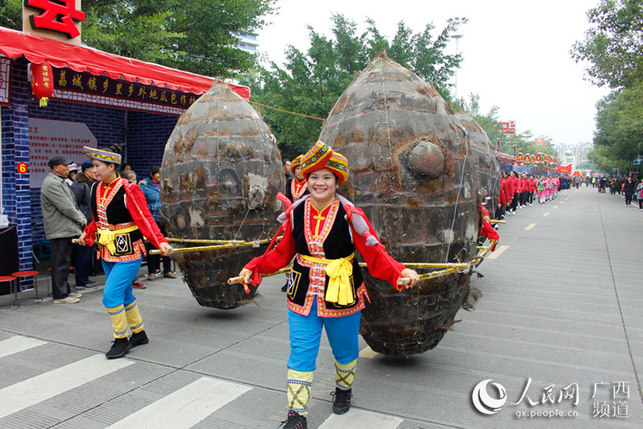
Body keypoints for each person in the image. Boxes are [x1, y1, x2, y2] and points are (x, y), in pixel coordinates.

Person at [237, 141, 419, 428]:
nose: (319, 183)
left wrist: (399, 271)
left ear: (337, 182)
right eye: (314, 177)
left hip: (342, 292)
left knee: (345, 350)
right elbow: (282, 252)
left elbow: (373, 251)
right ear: (305, 180)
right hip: (302, 294)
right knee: (300, 353)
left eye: (326, 177)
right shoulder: (296, 212)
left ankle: (344, 390)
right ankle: (297, 416)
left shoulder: (351, 215)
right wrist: (254, 266)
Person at [77, 145, 173, 359]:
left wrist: (160, 241)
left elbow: (145, 218)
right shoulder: (96, 188)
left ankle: (121, 339)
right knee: (125, 294)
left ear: (112, 166)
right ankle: (138, 333)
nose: (95, 170)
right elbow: (97, 219)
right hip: (107, 251)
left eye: (98, 166)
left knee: (110, 295)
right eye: (94, 166)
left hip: (129, 252)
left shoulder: (128, 189)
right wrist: (88, 234)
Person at [41, 156, 87, 304]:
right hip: (59, 228)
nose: (68, 169)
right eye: (65, 166)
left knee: (65, 261)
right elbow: (66, 206)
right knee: (60, 262)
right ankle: (60, 295)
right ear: (56, 168)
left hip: (65, 228)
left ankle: (64, 290)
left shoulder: (60, 181)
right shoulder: (52, 183)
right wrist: (81, 218)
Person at [139, 166, 176, 280]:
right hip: (152, 218)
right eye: (159, 173)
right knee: (152, 244)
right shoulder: (144, 186)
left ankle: (167, 270)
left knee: (166, 243)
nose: (161, 175)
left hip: (165, 218)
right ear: (152, 174)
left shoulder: (165, 185)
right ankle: (152, 271)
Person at [70, 161, 96, 289]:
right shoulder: (80, 185)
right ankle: (81, 281)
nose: (96, 171)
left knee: (87, 252)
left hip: (90, 223)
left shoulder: (90, 184)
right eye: (93, 169)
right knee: (82, 253)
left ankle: (85, 278)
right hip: (82, 224)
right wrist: (81, 219)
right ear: (86, 171)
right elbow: (74, 205)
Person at [121, 170, 147, 289]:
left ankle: (133, 280)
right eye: (132, 180)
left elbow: (144, 215)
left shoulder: (133, 189)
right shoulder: (97, 187)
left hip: (134, 233)